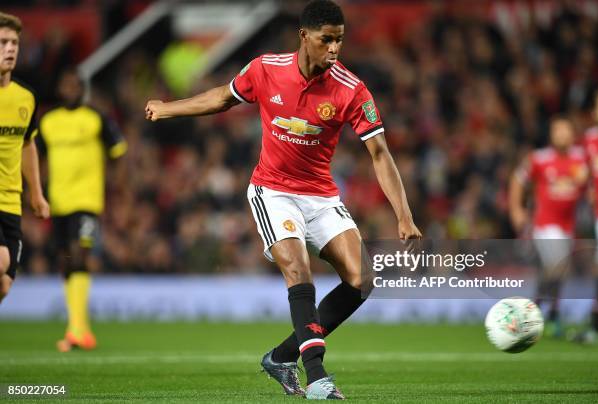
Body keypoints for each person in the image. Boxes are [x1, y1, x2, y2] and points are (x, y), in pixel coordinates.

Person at [145, 0, 421, 399]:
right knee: (298, 269)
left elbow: (380, 153)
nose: (334, 49)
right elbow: (223, 97)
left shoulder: (351, 89)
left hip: (321, 196)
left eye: (339, 40)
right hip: (273, 191)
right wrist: (168, 108)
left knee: (363, 280)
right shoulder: (266, 69)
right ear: (304, 36)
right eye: (326, 40)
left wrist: (404, 216)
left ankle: (281, 356)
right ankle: (318, 377)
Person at [38, 68, 127, 351]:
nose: (70, 90)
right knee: (66, 261)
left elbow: (118, 152)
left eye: (75, 85)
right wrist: (36, 192)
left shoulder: (96, 118)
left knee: (79, 254)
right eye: (66, 85)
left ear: (82, 89)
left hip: (87, 200)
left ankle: (75, 330)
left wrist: (117, 190)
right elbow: (35, 156)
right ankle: (80, 329)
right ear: (59, 89)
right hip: (58, 202)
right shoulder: (48, 122)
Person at [509, 116, 588, 337]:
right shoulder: (539, 159)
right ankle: (550, 316)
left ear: (572, 134)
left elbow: (592, 183)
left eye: (565, 130)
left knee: (550, 273)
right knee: (558, 266)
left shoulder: (581, 159)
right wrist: (516, 209)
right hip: (545, 223)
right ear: (551, 135)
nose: (562, 135)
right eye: (557, 131)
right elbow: (517, 180)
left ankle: (531, 314)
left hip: (568, 225)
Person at [0, 12, 49, 303]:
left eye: (14, 43)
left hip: (11, 200)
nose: (10, 49)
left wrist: (37, 194)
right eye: (3, 42)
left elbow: (27, 145)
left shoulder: (26, 97)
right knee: (1, 260)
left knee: (4, 285)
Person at [574, 85, 598, 344]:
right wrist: (586, 185)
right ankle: (595, 328)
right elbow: (581, 171)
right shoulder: (589, 140)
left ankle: (594, 328)